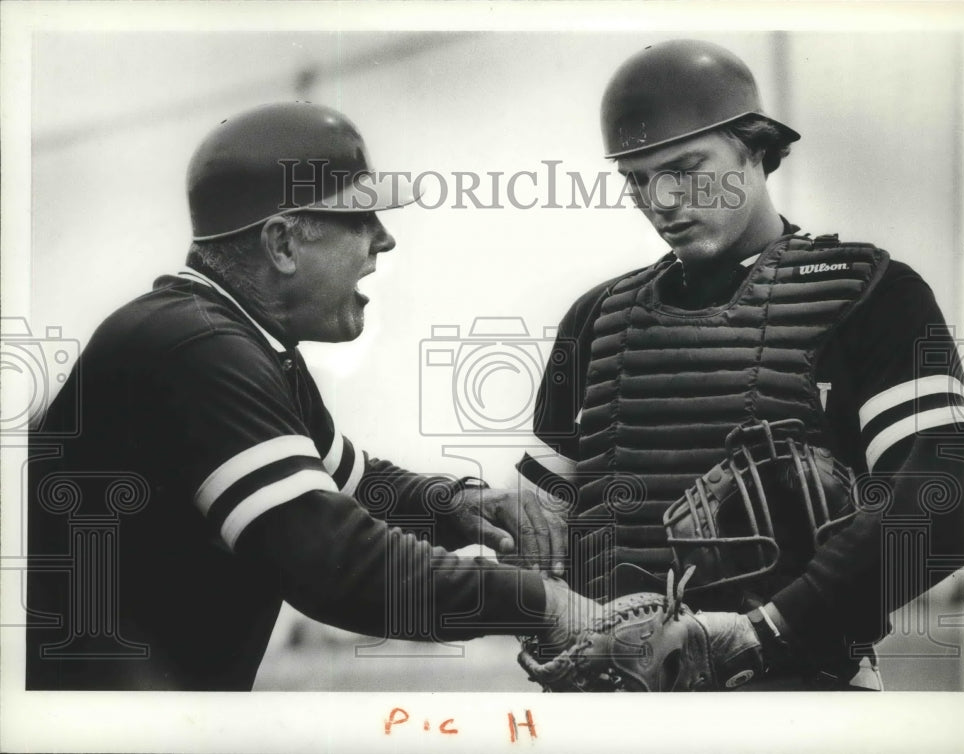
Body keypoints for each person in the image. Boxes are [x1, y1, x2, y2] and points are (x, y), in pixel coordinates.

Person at [26, 101, 588, 691]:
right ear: (283, 244)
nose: (384, 239)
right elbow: (336, 566)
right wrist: (543, 602)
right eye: (360, 218)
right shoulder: (199, 347)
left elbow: (357, 483)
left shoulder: (241, 340)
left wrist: (460, 504)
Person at [516, 40, 964, 690]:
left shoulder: (876, 297)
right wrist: (532, 594)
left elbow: (942, 501)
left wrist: (767, 629)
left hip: (802, 692)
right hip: (618, 696)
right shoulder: (595, 319)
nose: (661, 199)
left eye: (686, 165)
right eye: (637, 178)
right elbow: (548, 519)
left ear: (756, 148)